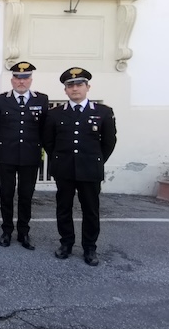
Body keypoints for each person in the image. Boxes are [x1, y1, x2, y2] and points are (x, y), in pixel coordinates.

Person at [43, 67, 117, 266]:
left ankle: (90, 248)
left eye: (79, 85)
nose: (75, 88)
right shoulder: (54, 114)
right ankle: (66, 243)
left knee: (91, 210)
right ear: (65, 90)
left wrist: (96, 160)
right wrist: (59, 160)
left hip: (90, 170)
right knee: (63, 208)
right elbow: (48, 142)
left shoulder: (103, 112)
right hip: (64, 169)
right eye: (70, 85)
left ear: (87, 87)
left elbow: (109, 143)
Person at [0, 61, 49, 250]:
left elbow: (44, 130)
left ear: (30, 79)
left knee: (26, 196)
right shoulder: (0, 100)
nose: (21, 82)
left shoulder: (41, 100)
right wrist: (4, 145)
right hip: (6, 156)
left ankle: (23, 232)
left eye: (25, 78)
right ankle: (7, 231)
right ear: (12, 80)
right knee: (6, 195)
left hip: (30, 157)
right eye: (18, 77)